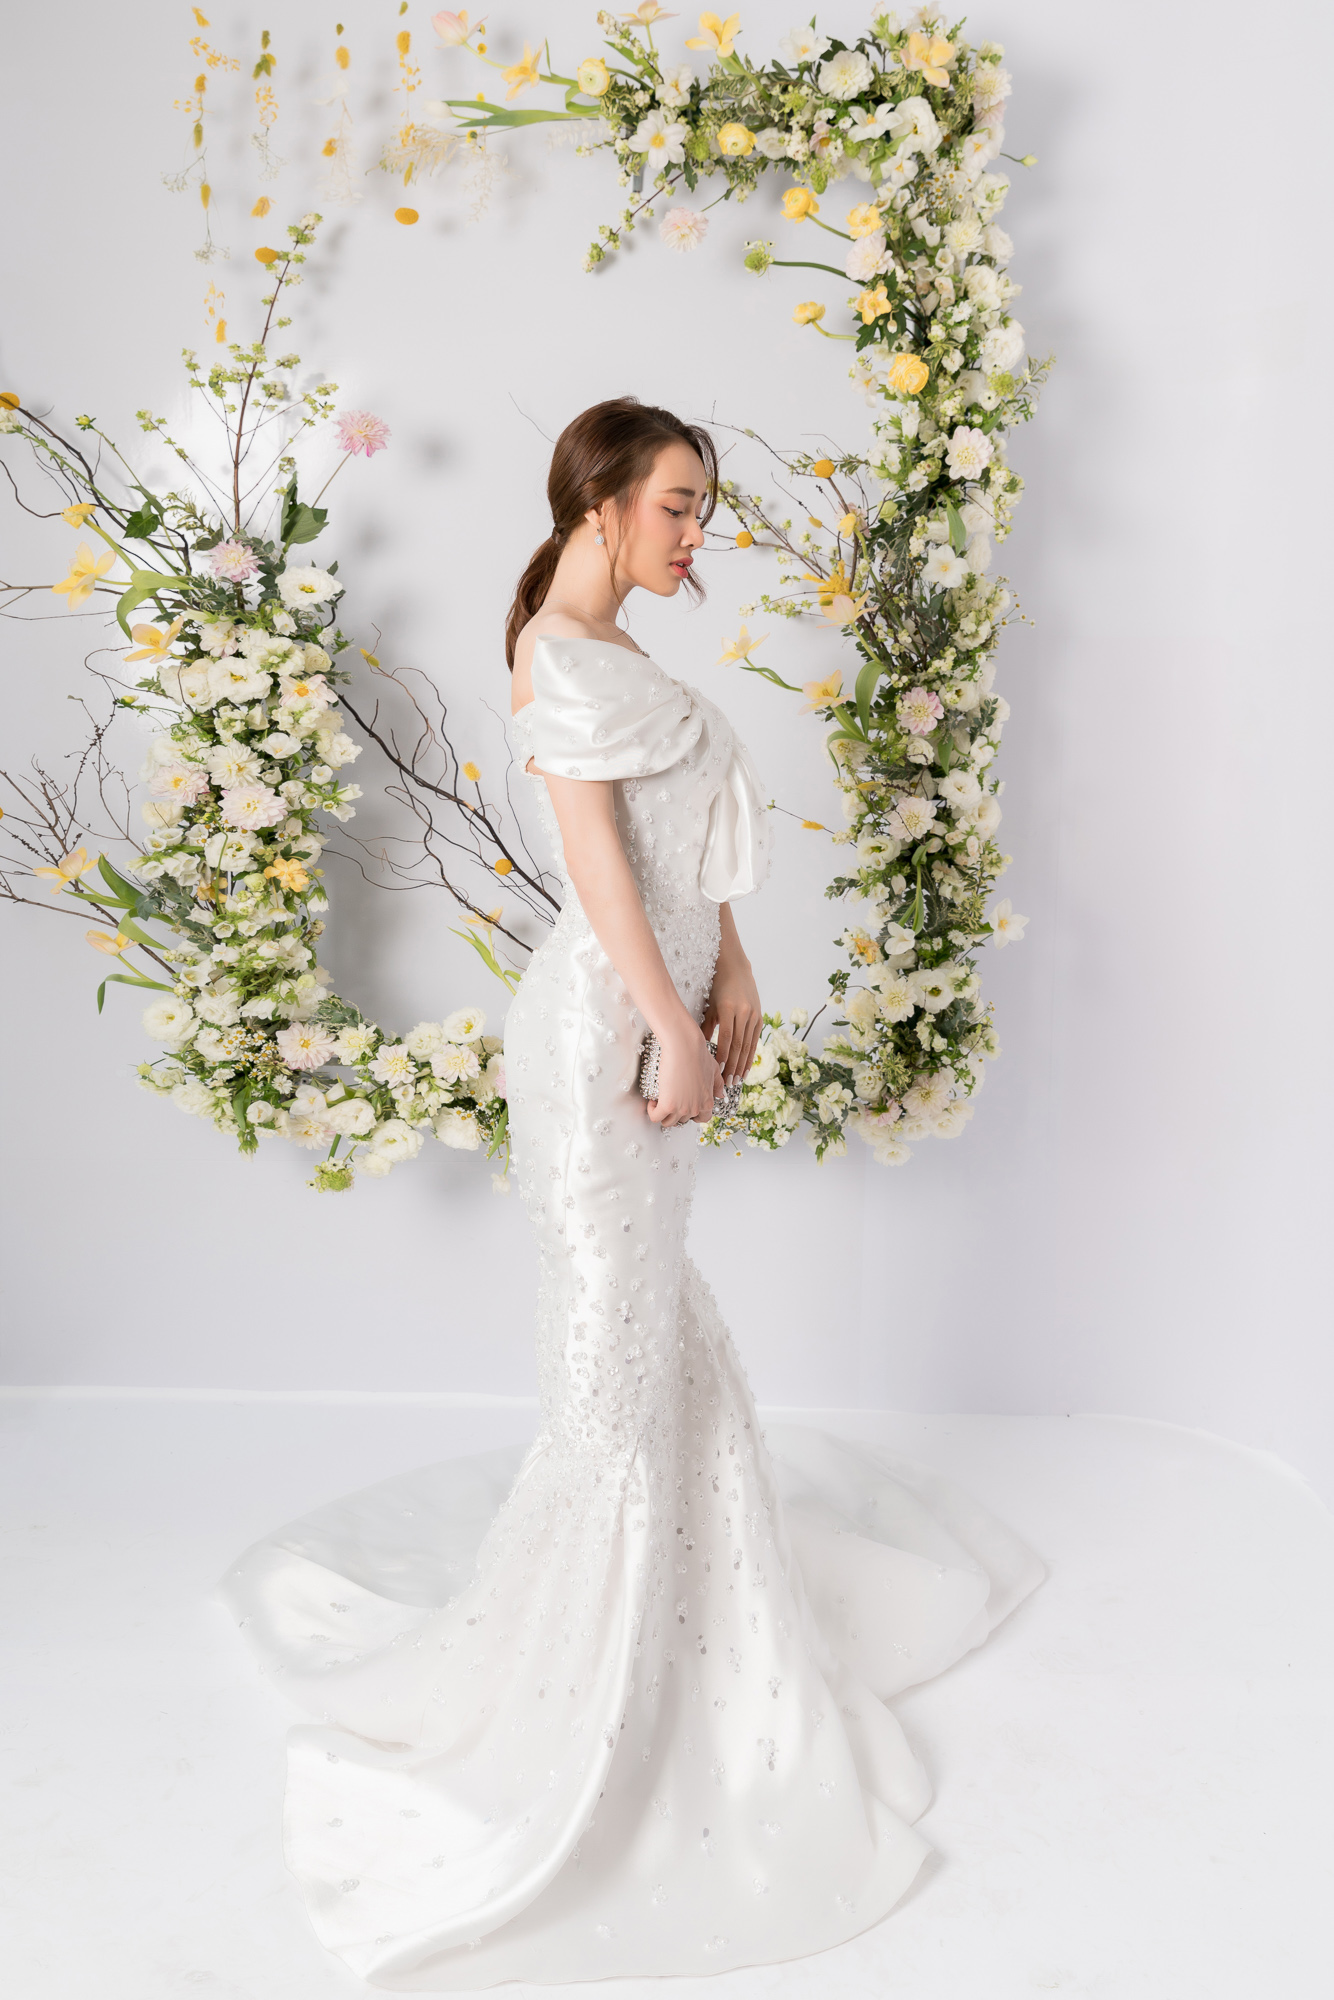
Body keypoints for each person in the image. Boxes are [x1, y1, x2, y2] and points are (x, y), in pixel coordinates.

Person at [218, 397, 1045, 1989]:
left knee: (653, 1323)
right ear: (596, 504)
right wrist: (666, 1017)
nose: (695, 532)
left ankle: (698, 1631)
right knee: (608, 1357)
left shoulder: (626, 655)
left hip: (658, 1005)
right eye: (674, 504)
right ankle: (580, 1701)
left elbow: (679, 858)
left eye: (702, 506)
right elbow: (597, 867)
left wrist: (731, 968)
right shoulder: (556, 653)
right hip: (596, 1030)